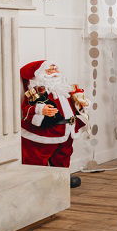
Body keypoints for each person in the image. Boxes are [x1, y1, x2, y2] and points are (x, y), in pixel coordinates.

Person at [20, 60, 89, 188]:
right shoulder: (37, 92)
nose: (54, 72)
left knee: (63, 154)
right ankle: (36, 180)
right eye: (49, 70)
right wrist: (41, 109)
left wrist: (81, 104)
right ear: (41, 74)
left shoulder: (66, 89)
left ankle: (61, 178)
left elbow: (76, 103)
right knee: (38, 156)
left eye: (55, 69)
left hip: (67, 130)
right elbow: (26, 109)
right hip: (46, 132)